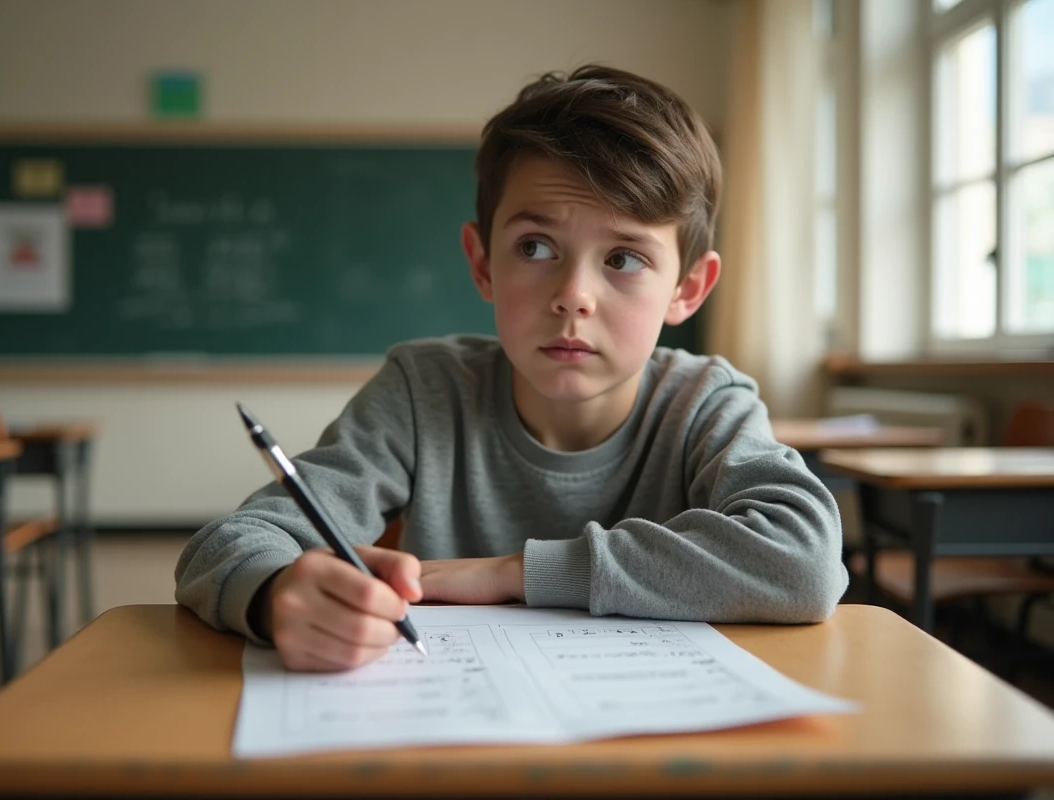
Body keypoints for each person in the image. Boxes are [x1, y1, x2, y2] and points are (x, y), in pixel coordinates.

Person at [175, 65, 847, 672]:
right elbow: (228, 545)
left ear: (688, 289)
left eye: (623, 259)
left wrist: (513, 574)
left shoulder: (706, 403)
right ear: (482, 263)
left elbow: (803, 561)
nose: (573, 295)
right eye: (535, 246)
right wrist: (272, 595)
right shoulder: (424, 390)